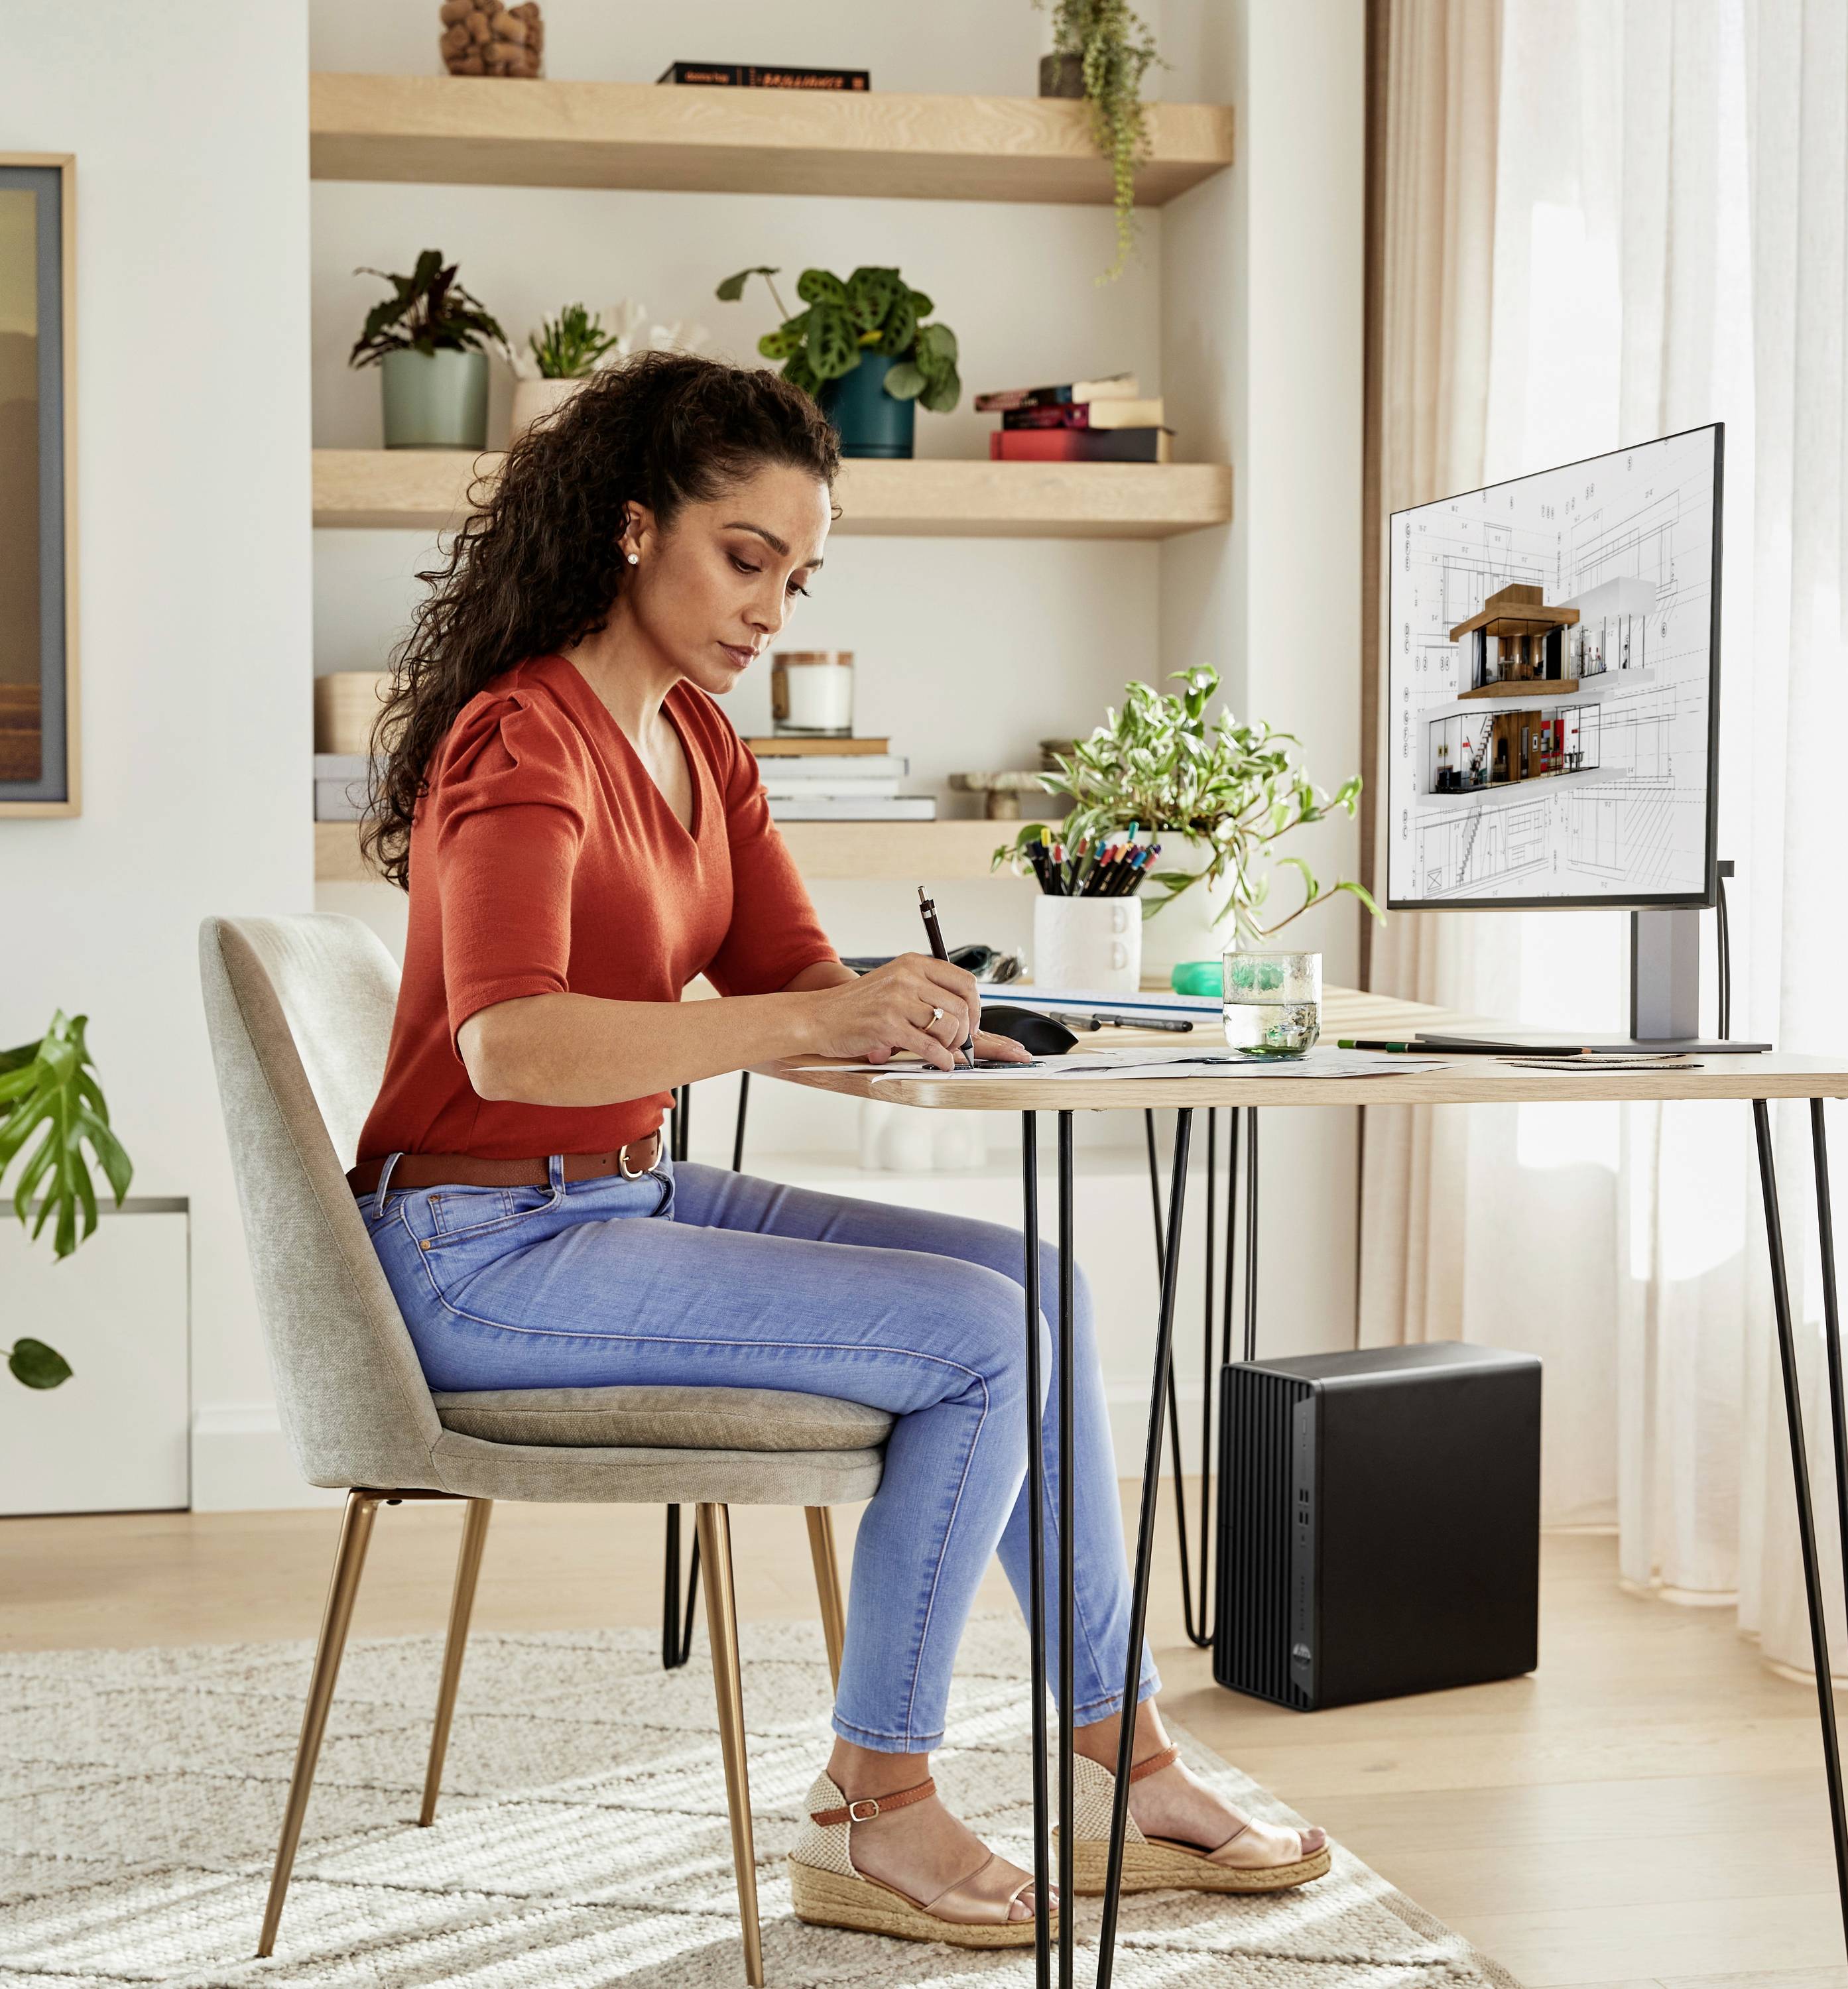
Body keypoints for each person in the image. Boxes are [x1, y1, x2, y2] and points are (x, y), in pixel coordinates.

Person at [353, 351, 1329, 1947]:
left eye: (795, 579)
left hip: (614, 1198)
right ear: (628, 527)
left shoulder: (699, 743)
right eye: (744, 560)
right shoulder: (518, 741)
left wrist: (917, 1012)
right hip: (473, 1250)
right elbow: (508, 1043)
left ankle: (1118, 1750)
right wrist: (811, 1026)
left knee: (1044, 1285)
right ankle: (874, 1806)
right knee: (976, 1338)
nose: (769, 611)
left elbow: (790, 978)